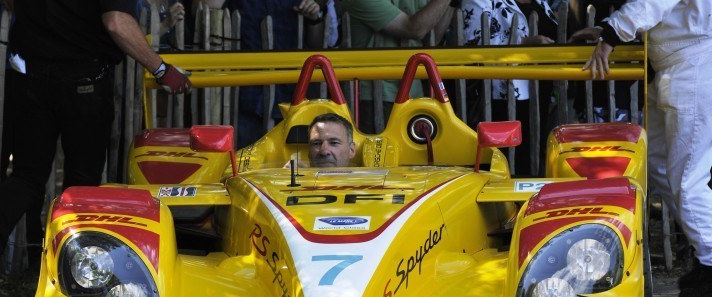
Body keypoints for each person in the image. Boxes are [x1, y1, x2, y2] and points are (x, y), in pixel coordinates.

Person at [0, 0, 193, 297]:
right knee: (81, 188)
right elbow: (116, 22)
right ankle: (70, 288)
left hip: (31, 77)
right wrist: (162, 69)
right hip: (85, 81)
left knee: (27, 176)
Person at [577, 0, 712, 297]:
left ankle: (710, 259)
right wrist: (607, 29)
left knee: (688, 181)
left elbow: (652, 3)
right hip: (677, 66)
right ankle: (704, 248)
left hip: (692, 65)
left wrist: (611, 34)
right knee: (659, 166)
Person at [203, 0, 324, 148]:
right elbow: (205, 8)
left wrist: (314, 17)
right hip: (245, 97)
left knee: (290, 166)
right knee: (244, 164)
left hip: (291, 98)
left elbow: (317, 43)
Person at [461, 0, 558, 177]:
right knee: (511, 164)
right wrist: (522, 43)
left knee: (536, 158)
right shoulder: (479, 1)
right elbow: (472, 45)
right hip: (503, 97)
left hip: (541, 90)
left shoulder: (539, 1)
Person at [339, 0, 455, 134]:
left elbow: (432, 35)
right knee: (379, 152)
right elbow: (413, 29)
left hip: (414, 94)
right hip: (374, 96)